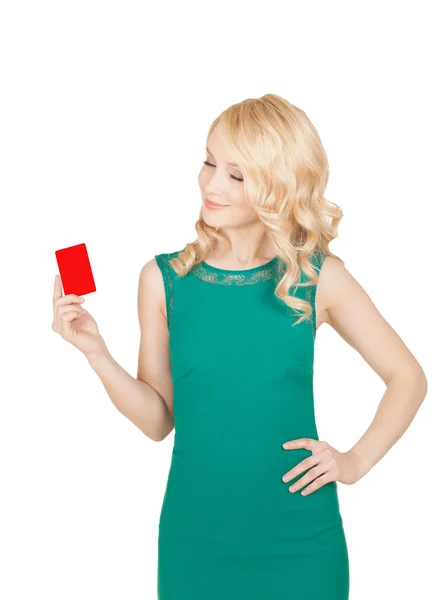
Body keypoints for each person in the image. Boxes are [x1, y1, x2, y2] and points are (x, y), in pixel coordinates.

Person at [52, 93, 428, 600]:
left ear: (279, 185)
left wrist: (355, 461)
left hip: (302, 542)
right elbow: (159, 421)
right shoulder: (162, 279)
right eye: (209, 162)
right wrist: (96, 353)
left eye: (236, 173)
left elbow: (408, 377)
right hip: (195, 542)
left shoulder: (319, 278)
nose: (210, 183)